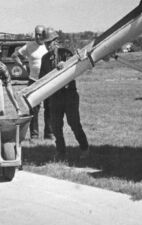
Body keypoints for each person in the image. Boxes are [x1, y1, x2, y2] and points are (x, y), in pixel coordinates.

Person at [39, 29, 89, 159]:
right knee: (55, 126)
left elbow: (74, 68)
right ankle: (61, 151)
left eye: (49, 42)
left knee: (74, 123)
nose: (47, 45)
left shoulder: (66, 53)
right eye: (45, 43)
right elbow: (42, 78)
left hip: (69, 95)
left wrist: (65, 65)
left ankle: (84, 148)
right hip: (54, 96)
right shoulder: (44, 59)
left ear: (56, 41)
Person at [14, 25, 52, 140]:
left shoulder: (48, 46)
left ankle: (49, 134)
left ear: (44, 35)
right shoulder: (29, 46)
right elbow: (15, 55)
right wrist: (24, 66)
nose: (38, 36)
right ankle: (34, 135)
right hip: (33, 80)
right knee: (33, 109)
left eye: (40, 34)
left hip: (47, 81)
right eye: (36, 34)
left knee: (49, 108)